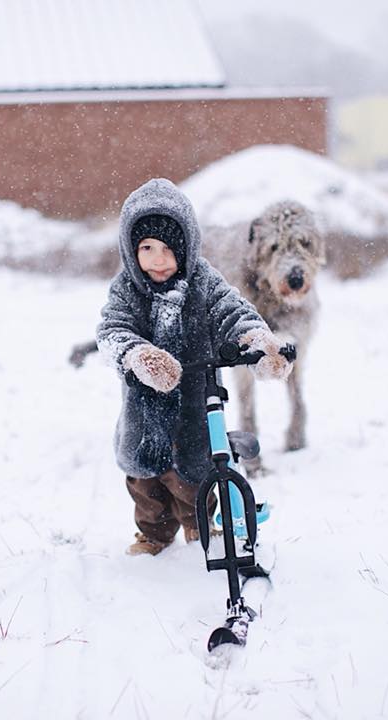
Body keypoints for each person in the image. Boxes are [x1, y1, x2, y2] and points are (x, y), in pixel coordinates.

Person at [96, 178, 292, 556]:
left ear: (187, 247)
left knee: (195, 481)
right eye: (147, 248)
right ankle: (153, 535)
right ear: (130, 249)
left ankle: (198, 527)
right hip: (144, 411)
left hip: (196, 405)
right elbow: (112, 331)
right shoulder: (126, 289)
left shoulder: (203, 280)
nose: (157, 259)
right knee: (145, 486)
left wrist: (256, 342)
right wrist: (138, 356)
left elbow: (233, 311)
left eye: (168, 248)